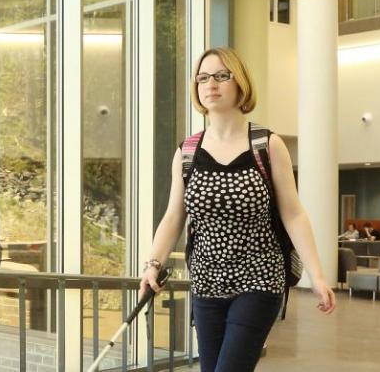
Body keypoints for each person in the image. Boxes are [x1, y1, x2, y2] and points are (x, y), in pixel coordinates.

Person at [139, 47, 335, 372]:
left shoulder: (267, 145)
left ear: (239, 82)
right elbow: (174, 216)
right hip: (206, 280)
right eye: (203, 77)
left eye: (221, 75)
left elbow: (293, 213)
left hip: (259, 278)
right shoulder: (187, 152)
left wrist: (317, 274)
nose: (211, 84)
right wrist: (152, 264)